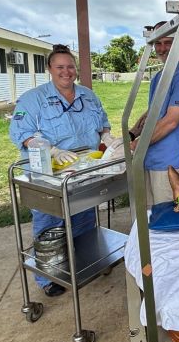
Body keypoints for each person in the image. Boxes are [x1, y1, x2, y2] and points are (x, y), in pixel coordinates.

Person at [9, 44, 116, 296]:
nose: (66, 72)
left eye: (70, 67)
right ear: (49, 69)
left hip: (85, 171)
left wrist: (109, 138)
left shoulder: (88, 95)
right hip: (50, 174)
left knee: (84, 219)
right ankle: (48, 279)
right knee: (50, 226)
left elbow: (102, 124)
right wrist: (52, 150)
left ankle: (84, 264)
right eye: (60, 67)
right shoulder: (32, 99)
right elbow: (21, 134)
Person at [130, 21, 179, 207]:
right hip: (152, 157)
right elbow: (154, 110)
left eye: (168, 42)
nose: (162, 48)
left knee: (167, 219)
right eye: (158, 43)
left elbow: (171, 121)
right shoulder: (160, 76)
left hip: (171, 162)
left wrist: (138, 144)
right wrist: (132, 133)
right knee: (149, 215)